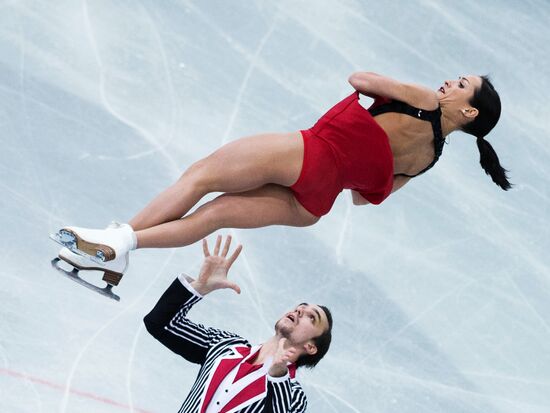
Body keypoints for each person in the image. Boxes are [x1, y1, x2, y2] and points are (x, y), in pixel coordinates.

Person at [51, 72, 511, 285]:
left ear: (467, 111)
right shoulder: (430, 158)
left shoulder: (426, 100)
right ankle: (120, 252)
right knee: (214, 215)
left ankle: (116, 245)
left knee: (199, 178)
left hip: (309, 153)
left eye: (459, 85)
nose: (447, 83)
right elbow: (367, 199)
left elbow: (361, 78)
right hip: (315, 202)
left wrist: (400, 102)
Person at [143, 235, 333, 412]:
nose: (300, 310)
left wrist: (277, 375)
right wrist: (199, 287)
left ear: (311, 347)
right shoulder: (225, 345)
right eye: (301, 306)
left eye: (311, 317)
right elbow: (160, 323)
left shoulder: (294, 397)